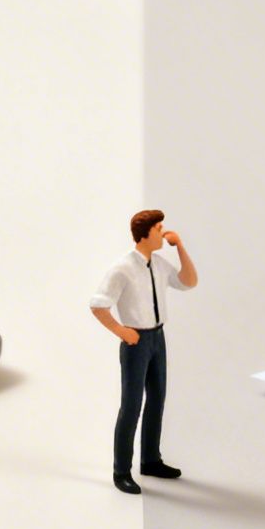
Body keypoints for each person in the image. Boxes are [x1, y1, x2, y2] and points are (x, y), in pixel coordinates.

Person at [89, 210, 198, 494]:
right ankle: (121, 470)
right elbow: (98, 304)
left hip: (158, 339)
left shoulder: (159, 264)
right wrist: (121, 331)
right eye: (159, 228)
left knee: (157, 399)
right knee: (132, 406)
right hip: (136, 342)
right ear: (145, 233)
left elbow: (188, 282)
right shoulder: (122, 268)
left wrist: (181, 247)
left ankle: (150, 459)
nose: (163, 233)